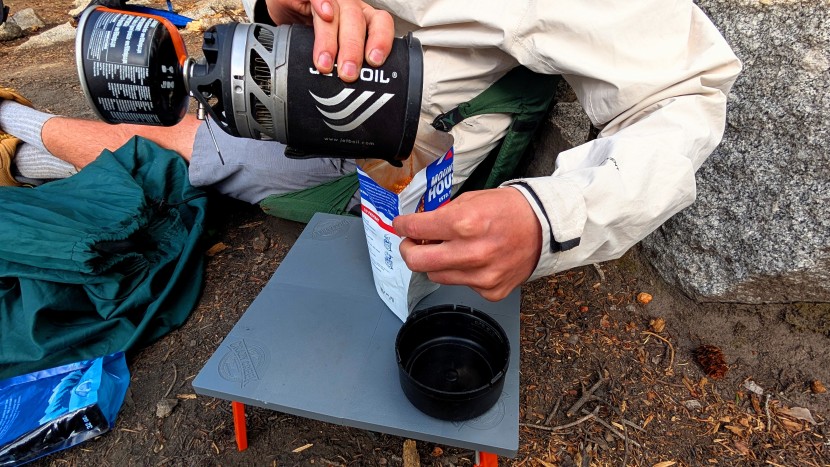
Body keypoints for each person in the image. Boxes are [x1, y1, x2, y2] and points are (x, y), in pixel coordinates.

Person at [0, 0, 741, 302]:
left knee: (192, 147)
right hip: (298, 74)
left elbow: (687, 92)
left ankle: (14, 129)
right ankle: (18, 140)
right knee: (199, 120)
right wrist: (289, 8)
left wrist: (548, 216)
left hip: (402, 130)